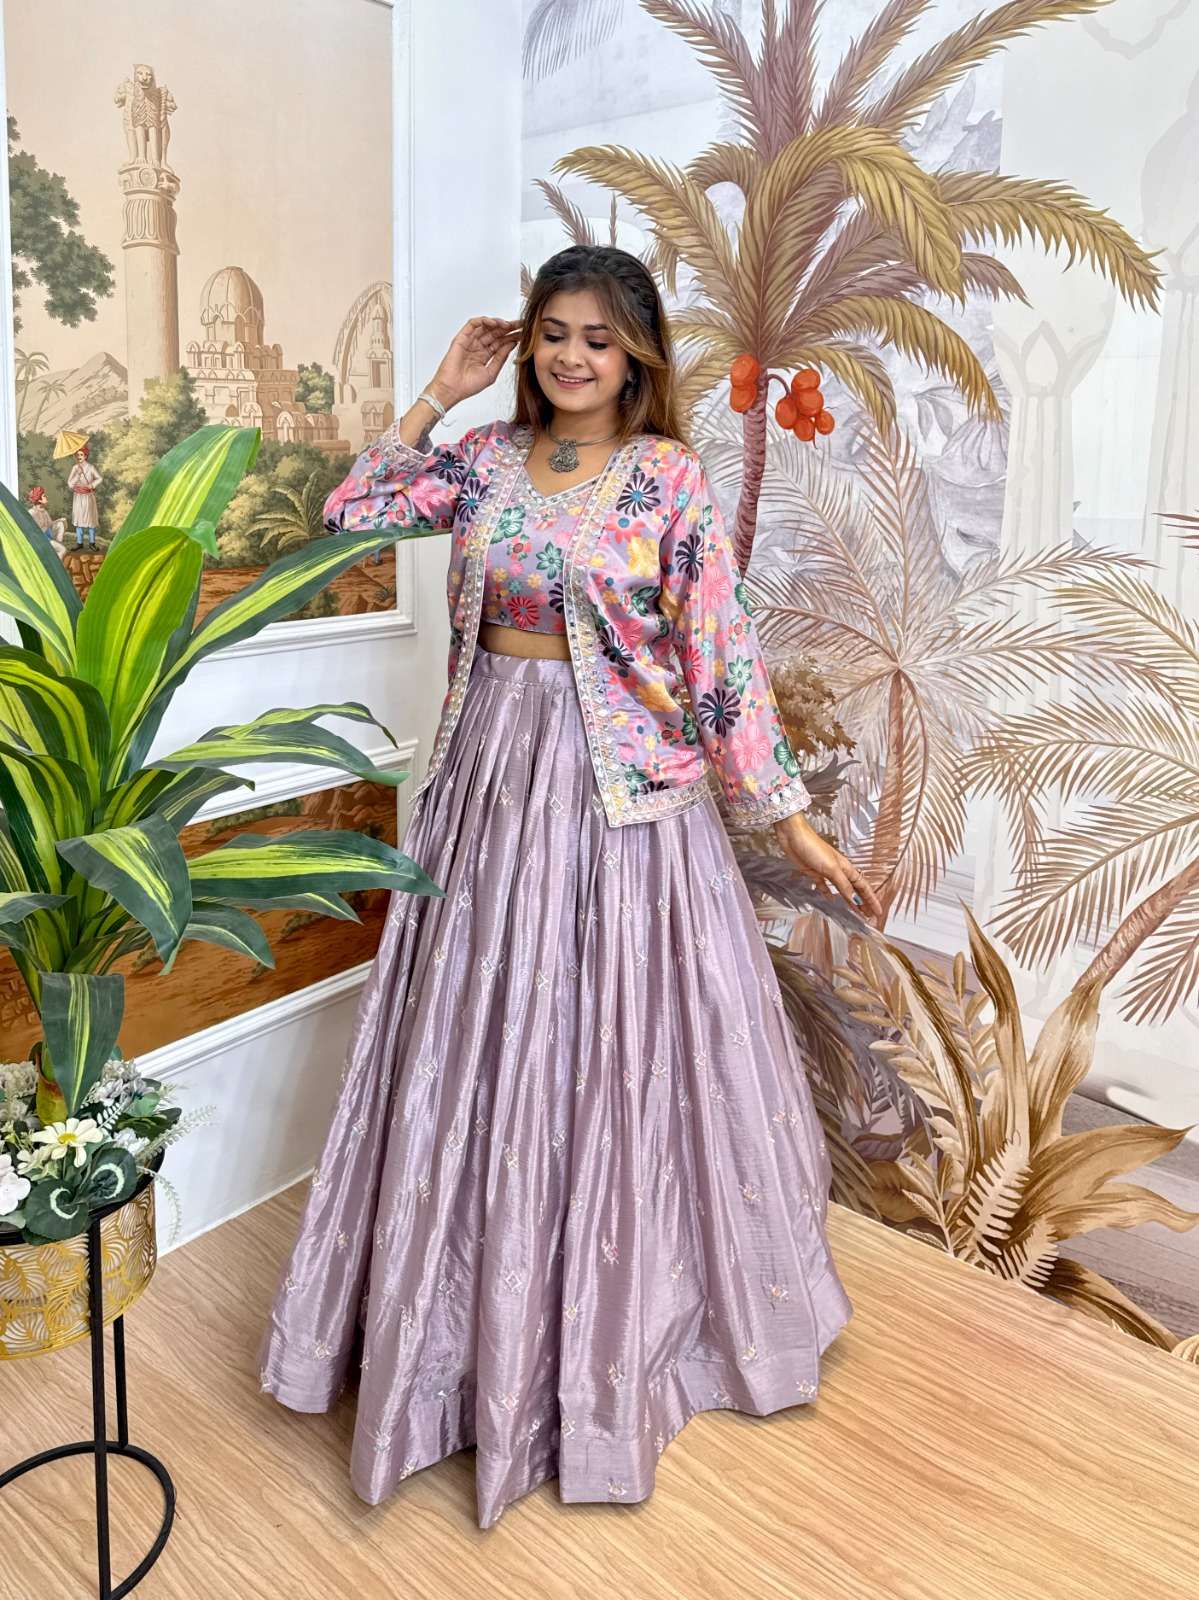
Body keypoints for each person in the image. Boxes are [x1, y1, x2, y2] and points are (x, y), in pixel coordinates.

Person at [259, 244, 880, 1530]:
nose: (569, 357)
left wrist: (790, 820)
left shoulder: (664, 479)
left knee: (610, 1053)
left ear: (634, 355)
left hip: (622, 804)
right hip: (489, 777)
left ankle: (611, 1342)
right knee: (479, 1046)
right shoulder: (486, 460)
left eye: (597, 338)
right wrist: (439, 390)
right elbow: (352, 510)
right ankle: (461, 1343)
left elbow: (718, 656)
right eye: (552, 332)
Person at [66, 445, 102, 549]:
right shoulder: (75, 468)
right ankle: (79, 543)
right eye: (77, 455)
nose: (79, 457)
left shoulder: (91, 467)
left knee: (90, 519)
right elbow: (70, 484)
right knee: (79, 519)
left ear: (85, 456)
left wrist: (92, 485)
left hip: (88, 497)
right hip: (78, 497)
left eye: (81, 455)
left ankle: (92, 543)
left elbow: (99, 478)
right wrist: (77, 475)